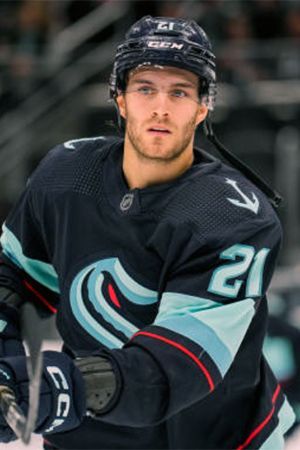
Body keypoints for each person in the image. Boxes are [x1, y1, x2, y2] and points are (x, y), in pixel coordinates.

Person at [0, 15, 296, 450]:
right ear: (119, 99)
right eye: (144, 89)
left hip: (216, 438)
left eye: (179, 92)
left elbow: (178, 367)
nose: (161, 107)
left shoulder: (234, 218)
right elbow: (13, 277)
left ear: (203, 106)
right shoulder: (65, 175)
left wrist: (64, 388)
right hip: (90, 438)